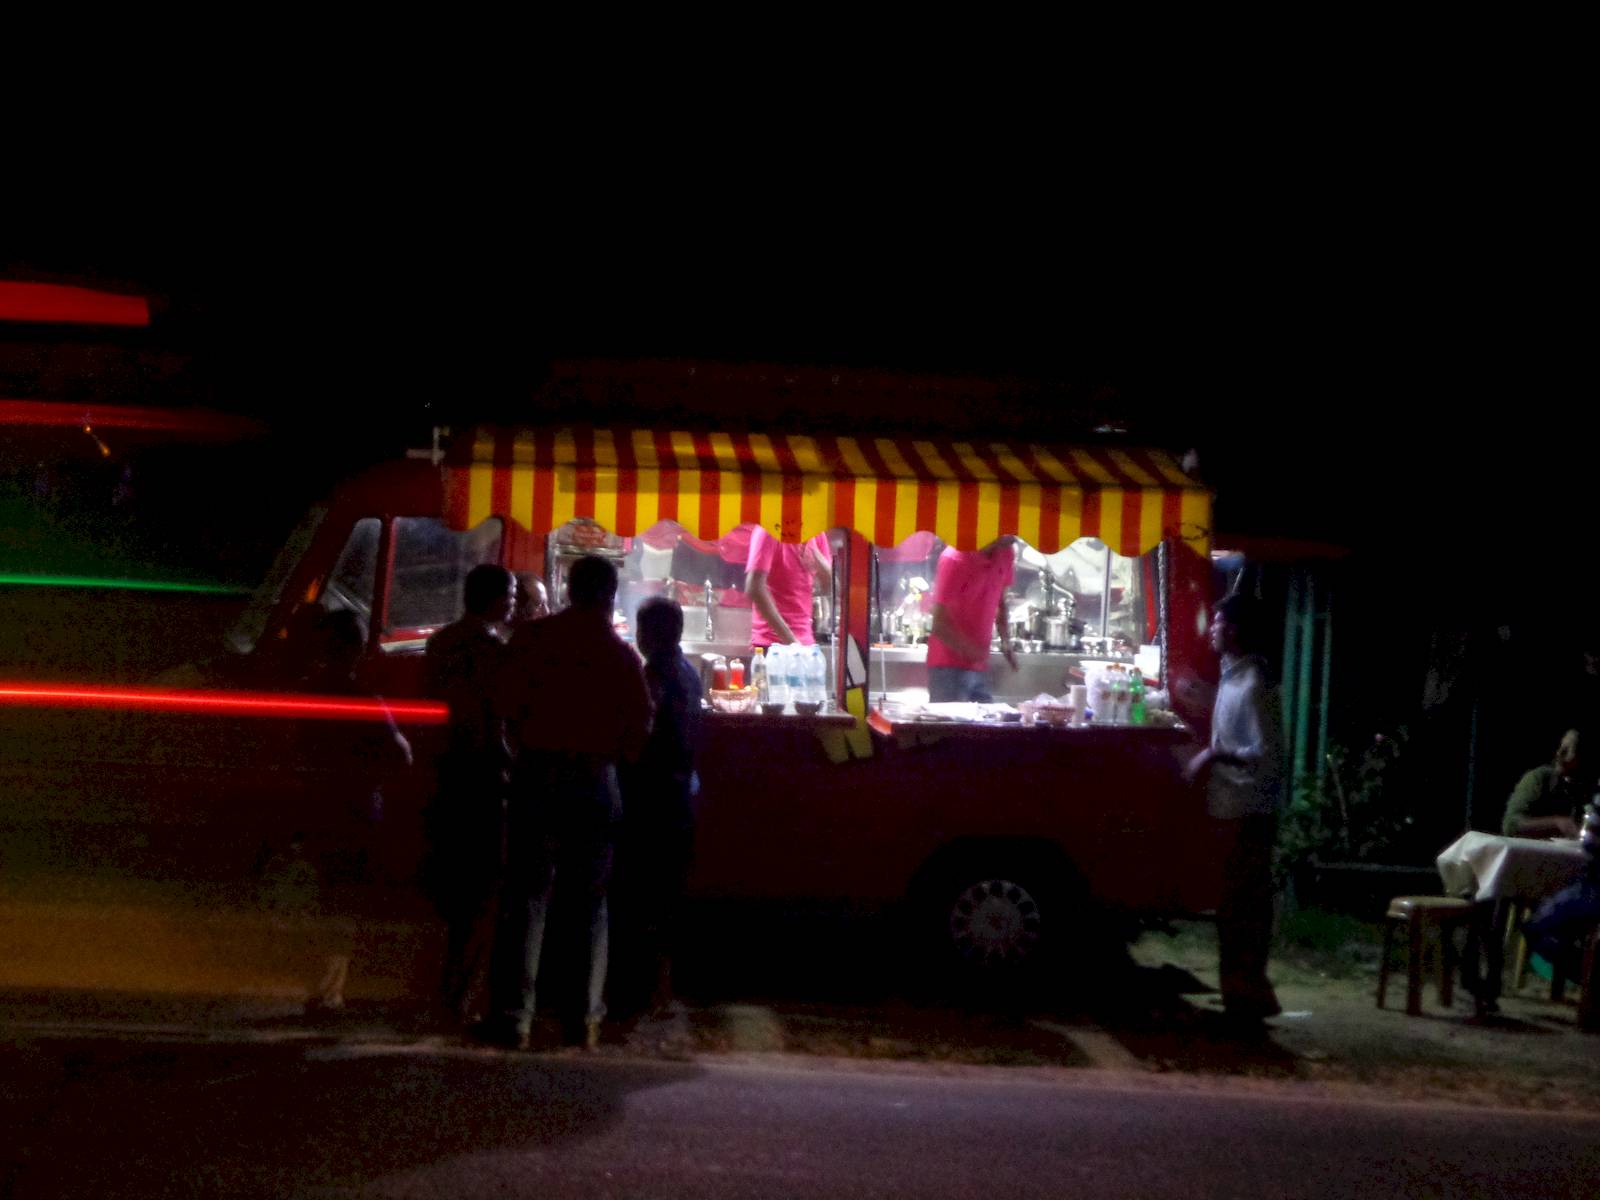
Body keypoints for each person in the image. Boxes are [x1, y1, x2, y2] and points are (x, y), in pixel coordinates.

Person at [482, 554, 652, 1050]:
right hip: (595, 780)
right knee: (590, 903)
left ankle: (514, 1016)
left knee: (527, 898)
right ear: (609, 596)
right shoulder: (620, 655)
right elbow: (640, 730)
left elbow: (503, 705)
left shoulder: (532, 641)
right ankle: (584, 1020)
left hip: (538, 772)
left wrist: (522, 749)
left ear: (569, 589)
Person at [421, 564, 517, 1027]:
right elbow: (495, 717)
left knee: (448, 891)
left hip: (445, 774)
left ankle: (438, 993)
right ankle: (460, 999)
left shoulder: (439, 644)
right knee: (479, 895)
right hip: (480, 778)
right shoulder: (491, 650)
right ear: (496, 600)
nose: (515, 602)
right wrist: (507, 766)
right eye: (511, 594)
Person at [1182, 592, 1283, 1027]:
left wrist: (1213, 756)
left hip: (1248, 808)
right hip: (1231, 805)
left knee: (1243, 907)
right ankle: (1242, 993)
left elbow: (1265, 754)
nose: (1213, 629)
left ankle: (1248, 993)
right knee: (1233, 905)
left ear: (1236, 631)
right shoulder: (1236, 675)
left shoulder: (1255, 682)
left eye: (1219, 622)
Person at [616, 596, 704, 1017]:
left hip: (652, 800)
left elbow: (638, 735)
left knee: (643, 897)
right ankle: (662, 990)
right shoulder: (689, 673)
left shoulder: (654, 675)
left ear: (649, 634)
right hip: (681, 795)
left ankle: (642, 993)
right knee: (667, 897)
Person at [925, 537, 1019, 703]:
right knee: (949, 727)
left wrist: (1006, 641)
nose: (1015, 535)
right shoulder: (954, 558)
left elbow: (1001, 601)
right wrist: (972, 652)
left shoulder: (1006, 552)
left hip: (979, 667)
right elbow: (938, 624)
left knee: (985, 728)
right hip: (947, 668)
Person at [745, 525, 831, 647]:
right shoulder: (768, 531)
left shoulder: (817, 535)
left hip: (806, 643)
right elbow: (754, 588)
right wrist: (792, 642)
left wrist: (816, 555)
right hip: (772, 645)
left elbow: (829, 587)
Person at [1503, 729, 1588, 839]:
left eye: (1570, 749)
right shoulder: (1539, 778)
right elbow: (1511, 825)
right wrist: (1556, 823)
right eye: (1561, 746)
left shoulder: (1588, 789)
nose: (1559, 753)